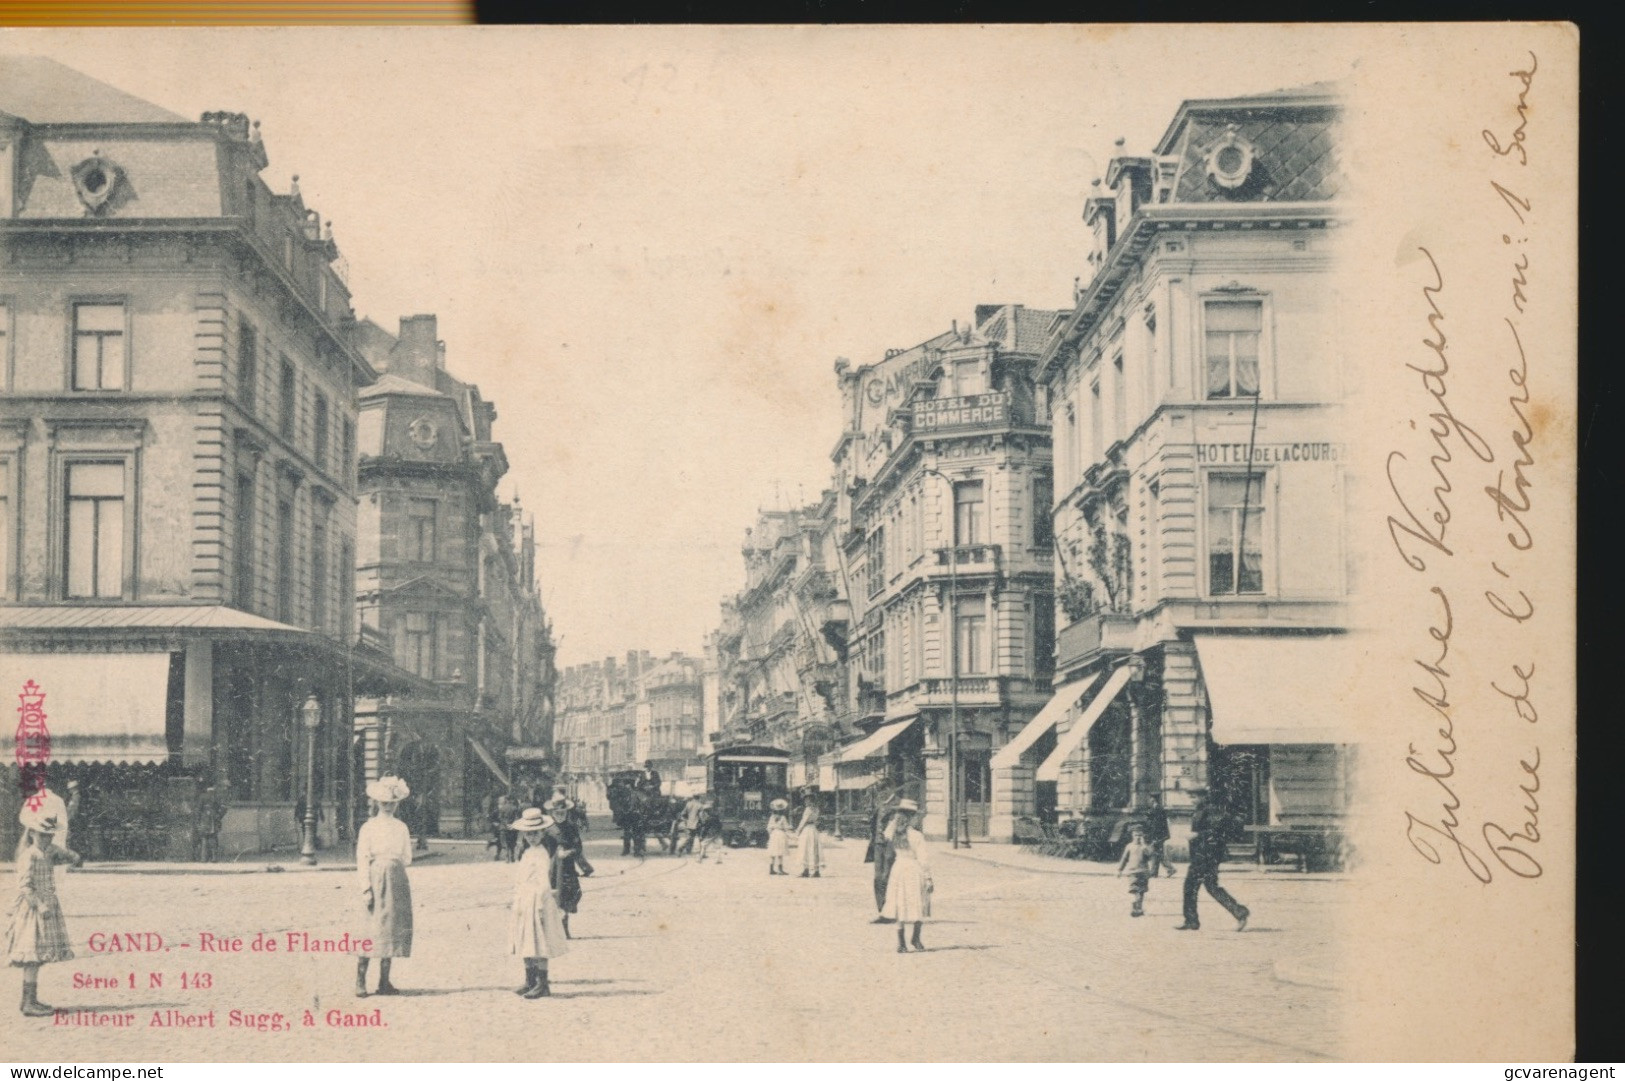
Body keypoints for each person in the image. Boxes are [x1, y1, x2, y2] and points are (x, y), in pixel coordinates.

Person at [6, 809, 82, 1016]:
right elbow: (25, 887)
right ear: (32, 834)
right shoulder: (28, 856)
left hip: (46, 908)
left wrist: (74, 857)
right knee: (32, 956)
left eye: (49, 835)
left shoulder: (48, 851)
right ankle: (29, 1002)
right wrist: (40, 906)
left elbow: (63, 855)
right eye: (42, 835)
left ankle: (29, 1001)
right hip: (33, 911)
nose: (47, 839)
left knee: (38, 956)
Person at [354, 777, 414, 997]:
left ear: (397, 803)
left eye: (392, 801)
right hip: (376, 877)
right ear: (376, 802)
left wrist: (393, 865)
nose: (388, 805)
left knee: (391, 928)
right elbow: (362, 858)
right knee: (371, 928)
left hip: (397, 878)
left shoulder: (401, 827)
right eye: (383, 801)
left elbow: (407, 856)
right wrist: (365, 888)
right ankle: (360, 981)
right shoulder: (369, 827)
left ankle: (384, 982)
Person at [509, 807, 569, 999]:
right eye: (528, 834)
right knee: (525, 939)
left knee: (539, 941)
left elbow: (544, 880)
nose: (531, 837)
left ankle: (543, 984)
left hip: (538, 900)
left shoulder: (542, 854)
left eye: (535, 834)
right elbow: (520, 878)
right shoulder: (527, 853)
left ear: (542, 833)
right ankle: (530, 980)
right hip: (525, 899)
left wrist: (542, 904)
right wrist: (516, 897)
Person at [1176, 790, 1250, 932]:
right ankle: (1239, 912)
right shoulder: (1202, 810)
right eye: (1191, 796)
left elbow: (1217, 831)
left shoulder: (1211, 810)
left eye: (1194, 796)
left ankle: (1192, 921)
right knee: (1210, 887)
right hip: (1201, 855)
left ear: (1203, 797)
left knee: (1191, 887)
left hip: (1206, 856)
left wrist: (1196, 835)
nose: (1191, 799)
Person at [879, 800, 932, 952]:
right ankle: (916, 938)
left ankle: (901, 943)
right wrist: (928, 878)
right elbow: (923, 859)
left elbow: (886, 835)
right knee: (918, 901)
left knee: (899, 903)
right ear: (912, 817)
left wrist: (895, 821)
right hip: (914, 870)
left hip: (899, 868)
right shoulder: (916, 836)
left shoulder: (894, 832)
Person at [544, 795, 590, 939]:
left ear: (567, 812)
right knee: (553, 897)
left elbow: (578, 847)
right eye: (557, 813)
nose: (560, 815)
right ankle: (556, 930)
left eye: (562, 813)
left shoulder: (571, 828)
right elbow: (542, 848)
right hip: (551, 868)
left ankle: (564, 928)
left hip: (568, 867)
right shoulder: (547, 829)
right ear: (552, 813)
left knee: (572, 895)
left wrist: (568, 852)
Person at [1117, 823, 1157, 917]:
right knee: (1135, 889)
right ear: (1132, 835)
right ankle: (1137, 906)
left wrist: (1144, 845)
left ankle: (1138, 907)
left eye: (1140, 835)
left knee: (1141, 891)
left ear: (1143, 836)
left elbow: (1151, 856)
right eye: (1136, 835)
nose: (1138, 837)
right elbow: (1124, 858)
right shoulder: (1129, 846)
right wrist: (1120, 870)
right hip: (1132, 873)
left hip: (1143, 872)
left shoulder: (1145, 847)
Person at [867, 798, 897, 922]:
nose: (881, 794)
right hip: (877, 844)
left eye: (883, 790)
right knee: (878, 878)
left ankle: (891, 911)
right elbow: (874, 823)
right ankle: (883, 911)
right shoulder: (878, 803)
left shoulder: (897, 802)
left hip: (891, 844)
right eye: (880, 791)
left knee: (887, 877)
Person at [1142, 794, 1177, 878]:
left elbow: (1157, 826)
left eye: (1149, 799)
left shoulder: (1158, 810)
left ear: (1153, 799)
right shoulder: (1156, 809)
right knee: (1157, 853)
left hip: (1158, 836)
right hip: (1159, 835)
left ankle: (1169, 869)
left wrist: (1154, 838)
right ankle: (1155, 872)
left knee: (1157, 853)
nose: (1148, 801)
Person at [795, 792, 822, 878]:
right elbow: (817, 820)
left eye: (807, 800)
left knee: (805, 849)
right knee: (814, 849)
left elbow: (803, 820)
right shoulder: (817, 809)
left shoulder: (808, 809)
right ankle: (816, 870)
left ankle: (806, 870)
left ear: (810, 800)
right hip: (814, 829)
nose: (805, 801)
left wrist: (798, 830)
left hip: (807, 829)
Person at [195, 785, 224, 863]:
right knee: (213, 838)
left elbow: (198, 810)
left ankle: (203, 858)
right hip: (214, 820)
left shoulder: (202, 796)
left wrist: (197, 821)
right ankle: (214, 858)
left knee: (204, 838)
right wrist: (219, 816)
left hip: (204, 820)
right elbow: (223, 808)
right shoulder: (216, 796)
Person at [766, 798, 791, 875]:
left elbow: (768, 828)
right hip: (780, 834)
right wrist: (788, 829)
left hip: (774, 834)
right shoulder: (783, 817)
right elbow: (786, 827)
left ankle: (771, 869)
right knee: (780, 852)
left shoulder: (772, 817)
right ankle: (780, 869)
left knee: (773, 852)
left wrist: (771, 833)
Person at [694, 797, 719, 862]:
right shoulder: (715, 816)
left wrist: (702, 835)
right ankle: (719, 859)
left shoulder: (708, 818)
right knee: (717, 847)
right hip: (716, 833)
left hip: (709, 834)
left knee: (703, 845)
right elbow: (720, 825)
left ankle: (700, 859)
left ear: (707, 811)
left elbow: (705, 827)